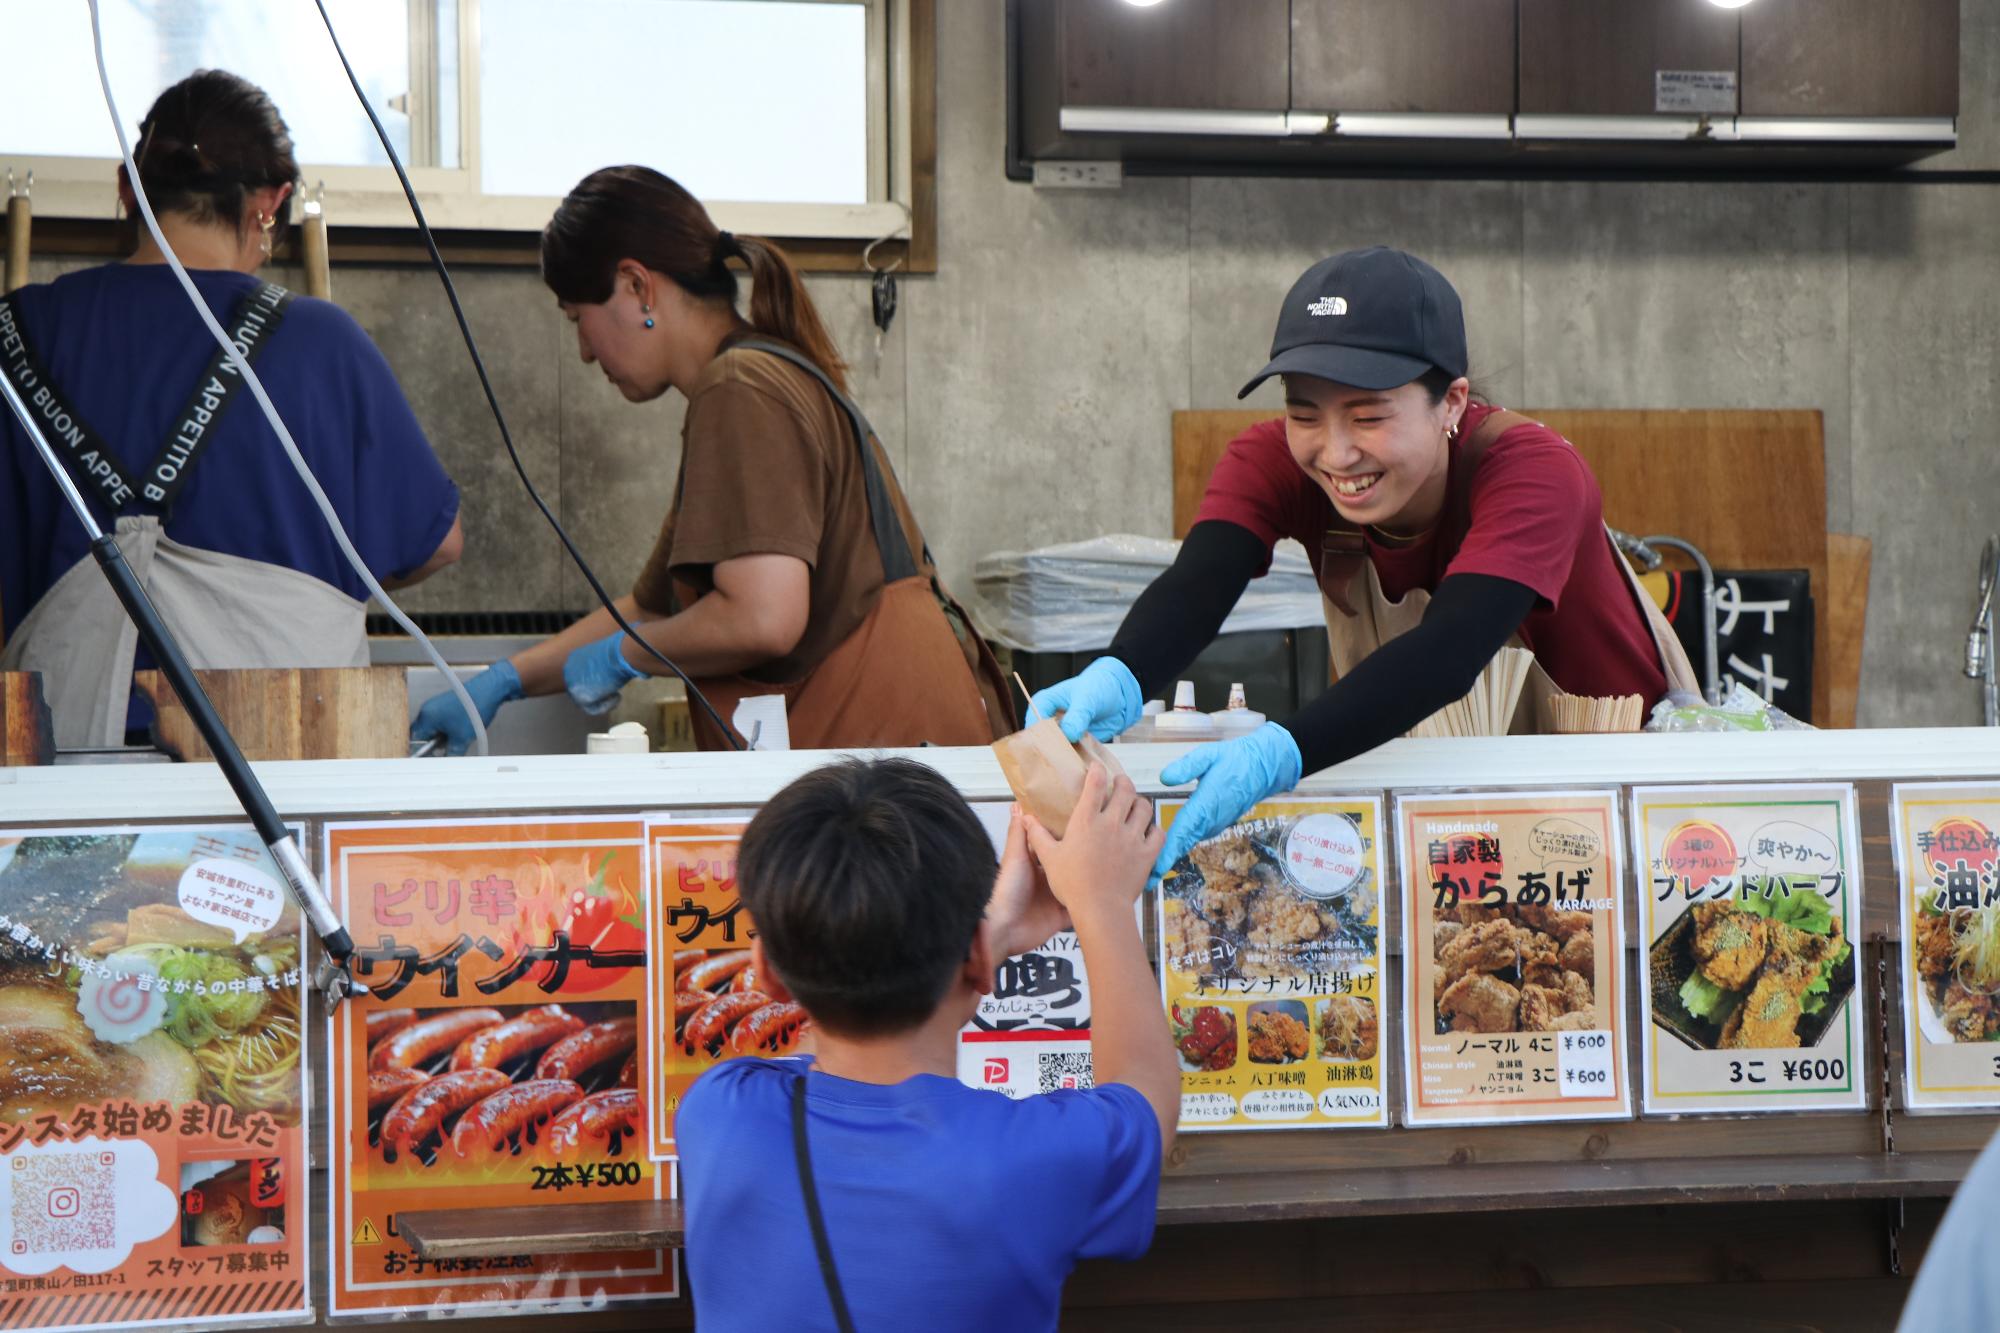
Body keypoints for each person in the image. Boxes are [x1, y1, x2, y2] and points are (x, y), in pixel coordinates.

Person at [1033, 247, 1699, 877]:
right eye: (1305, 414)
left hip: (1616, 803)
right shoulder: (1272, 461)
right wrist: (1122, 671)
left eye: (1369, 416)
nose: (1336, 452)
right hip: (1436, 812)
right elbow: (1201, 580)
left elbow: (1449, 651)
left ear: (1453, 403)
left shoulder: (1533, 472)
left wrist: (1282, 752)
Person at [410, 166, 1008, 754]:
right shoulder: (753, 378)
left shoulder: (741, 387)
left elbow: (763, 618)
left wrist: (629, 656)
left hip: (892, 771)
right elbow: (650, 607)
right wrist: (504, 680)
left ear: (638, 286)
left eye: (578, 320)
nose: (586, 353)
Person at [0, 70, 462, 749]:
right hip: (282, 755)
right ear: (268, 206)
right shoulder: (322, 342)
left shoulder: (17, 333)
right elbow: (435, 540)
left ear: (128, 188)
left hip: (68, 764)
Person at [676, 758, 1176, 1332]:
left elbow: (832, 1035)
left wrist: (982, 946)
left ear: (765, 973)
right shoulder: (1029, 1158)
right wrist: (1102, 906)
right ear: (978, 958)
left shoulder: (716, 1112)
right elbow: (1146, 1093)